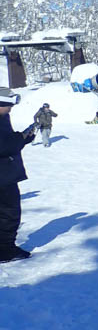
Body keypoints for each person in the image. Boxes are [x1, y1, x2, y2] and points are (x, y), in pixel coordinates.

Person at [0, 88, 36, 262]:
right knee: (9, 213)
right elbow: (3, 146)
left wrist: (23, 137)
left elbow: (6, 139)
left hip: (6, 173)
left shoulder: (3, 117)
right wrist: (20, 139)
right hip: (3, 176)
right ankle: (5, 250)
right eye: (9, 105)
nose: (11, 109)